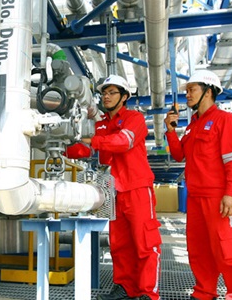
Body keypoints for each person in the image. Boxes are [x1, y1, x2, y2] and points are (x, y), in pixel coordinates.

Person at [66, 75, 161, 300]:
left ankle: (148, 292)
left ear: (124, 96)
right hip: (114, 191)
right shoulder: (101, 125)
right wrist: (61, 146)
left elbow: (122, 142)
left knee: (145, 242)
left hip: (137, 187)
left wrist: (92, 140)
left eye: (112, 92)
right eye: (104, 93)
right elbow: (87, 151)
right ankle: (125, 288)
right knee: (119, 244)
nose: (106, 96)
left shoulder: (134, 118)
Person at [164, 70, 232, 300]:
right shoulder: (194, 125)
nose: (187, 95)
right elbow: (178, 155)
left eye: (192, 89)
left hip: (218, 199)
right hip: (195, 198)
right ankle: (204, 293)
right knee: (199, 251)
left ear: (209, 91)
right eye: (187, 91)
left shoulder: (225, 121)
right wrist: (171, 130)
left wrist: (231, 194)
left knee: (229, 250)